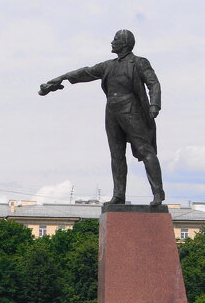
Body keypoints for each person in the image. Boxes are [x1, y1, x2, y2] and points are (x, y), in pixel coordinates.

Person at [39, 29, 164, 206]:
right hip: (112, 111)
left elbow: (153, 83)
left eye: (115, 39)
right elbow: (86, 72)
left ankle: (158, 194)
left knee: (145, 150)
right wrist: (61, 78)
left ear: (125, 43)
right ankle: (119, 195)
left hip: (132, 109)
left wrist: (154, 105)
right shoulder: (109, 66)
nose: (112, 42)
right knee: (116, 155)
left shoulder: (139, 62)